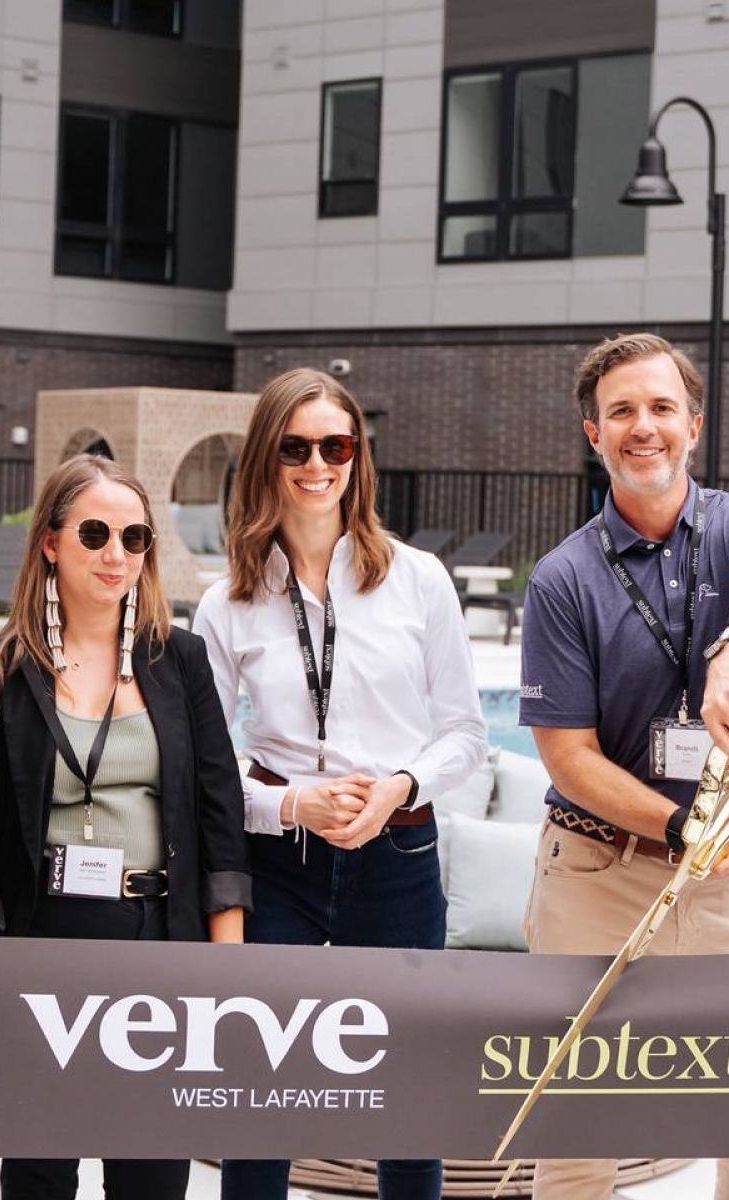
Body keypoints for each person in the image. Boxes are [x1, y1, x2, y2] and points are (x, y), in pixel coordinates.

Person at [517, 333, 729, 1200]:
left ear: (692, 422)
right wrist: (684, 826)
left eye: (658, 408)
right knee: (578, 1130)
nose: (641, 427)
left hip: (723, 886)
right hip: (595, 872)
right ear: (593, 434)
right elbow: (568, 757)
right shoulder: (563, 578)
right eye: (620, 413)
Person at [197, 368, 488, 1200]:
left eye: (336, 445)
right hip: (279, 862)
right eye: (296, 447)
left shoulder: (419, 579)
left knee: (408, 1098)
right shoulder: (227, 603)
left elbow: (466, 734)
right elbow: (210, 774)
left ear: (358, 457)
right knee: (265, 1093)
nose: (317, 463)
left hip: (398, 851)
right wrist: (293, 803)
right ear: (266, 459)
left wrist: (398, 786)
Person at [0, 455, 250, 1200]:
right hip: (41, 934)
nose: (117, 555)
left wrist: (227, 966)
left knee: (151, 1164)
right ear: (50, 542)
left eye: (135, 537)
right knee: (41, 1165)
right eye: (94, 533)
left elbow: (220, 814)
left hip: (157, 934)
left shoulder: (179, 661)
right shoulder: (0, 667)